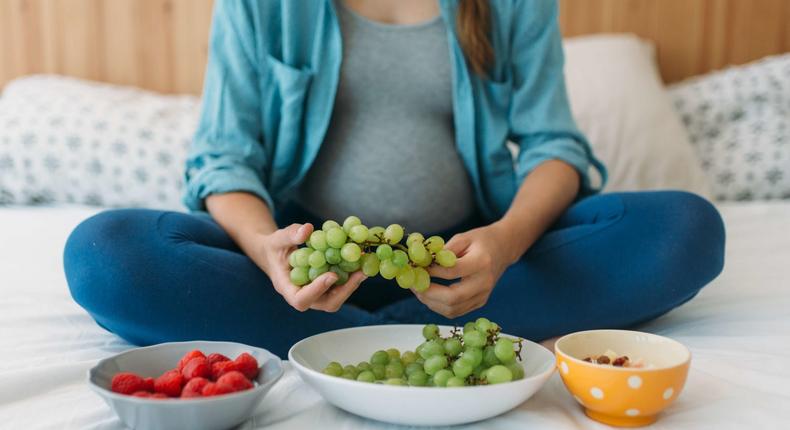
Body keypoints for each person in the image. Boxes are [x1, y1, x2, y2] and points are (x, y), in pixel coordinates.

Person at [64, 0, 725, 358]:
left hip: (469, 266)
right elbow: (224, 158)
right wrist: (268, 251)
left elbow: (554, 147)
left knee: (685, 229)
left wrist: (506, 243)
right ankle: (391, 338)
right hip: (303, 268)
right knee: (105, 255)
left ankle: (363, 340)